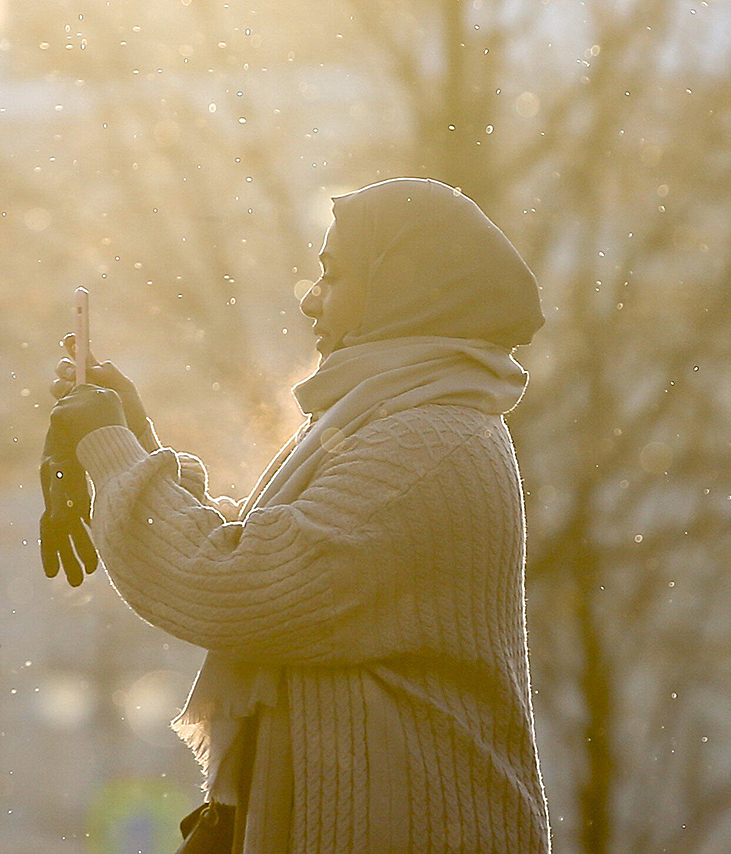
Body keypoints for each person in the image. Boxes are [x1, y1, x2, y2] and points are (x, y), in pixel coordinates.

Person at [39, 177, 551, 853]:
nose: (311, 300)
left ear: (402, 290)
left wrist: (114, 453)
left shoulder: (426, 441)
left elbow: (239, 587)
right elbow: (271, 560)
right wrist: (135, 445)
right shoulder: (402, 419)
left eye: (333, 277)